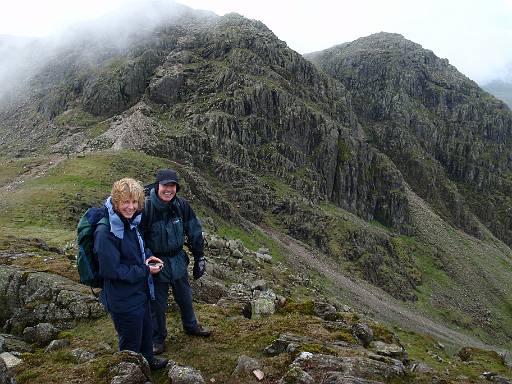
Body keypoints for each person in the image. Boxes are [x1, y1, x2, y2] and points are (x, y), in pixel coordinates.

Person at [93, 177, 168, 370]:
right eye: (126, 202)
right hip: (122, 299)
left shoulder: (130, 223)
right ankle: (131, 373)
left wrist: (149, 257)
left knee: (145, 331)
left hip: (139, 293)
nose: (131, 207)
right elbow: (111, 270)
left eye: (134, 202)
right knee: (130, 342)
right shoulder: (106, 231)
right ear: (116, 202)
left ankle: (148, 361)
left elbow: (137, 252)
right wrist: (145, 270)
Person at [142, 169, 211, 355]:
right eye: (165, 185)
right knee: (157, 304)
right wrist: (147, 257)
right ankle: (157, 339)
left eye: (172, 186)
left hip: (178, 260)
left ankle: (191, 325)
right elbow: (137, 237)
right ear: (158, 185)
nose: (168, 190)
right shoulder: (146, 208)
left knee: (185, 297)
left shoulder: (181, 206)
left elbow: (194, 231)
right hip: (157, 263)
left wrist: (199, 256)